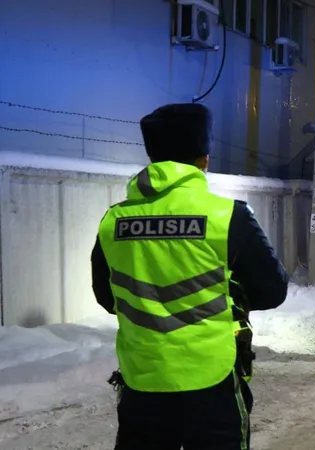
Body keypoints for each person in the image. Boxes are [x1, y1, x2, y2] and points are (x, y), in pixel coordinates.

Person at [91, 103, 289, 449]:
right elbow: (272, 289)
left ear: (153, 156)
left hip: (142, 381)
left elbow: (107, 297)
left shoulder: (113, 221)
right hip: (210, 381)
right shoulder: (227, 216)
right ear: (204, 158)